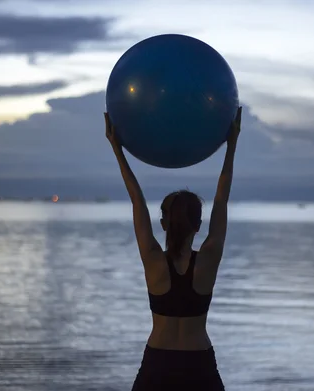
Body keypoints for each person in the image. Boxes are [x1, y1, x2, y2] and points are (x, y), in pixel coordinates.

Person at [104, 107, 242, 391]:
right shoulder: (208, 259)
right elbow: (222, 198)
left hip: (159, 363)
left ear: (164, 224)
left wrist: (117, 148)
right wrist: (232, 144)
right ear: (199, 225)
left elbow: (136, 200)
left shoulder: (153, 260)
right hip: (198, 364)